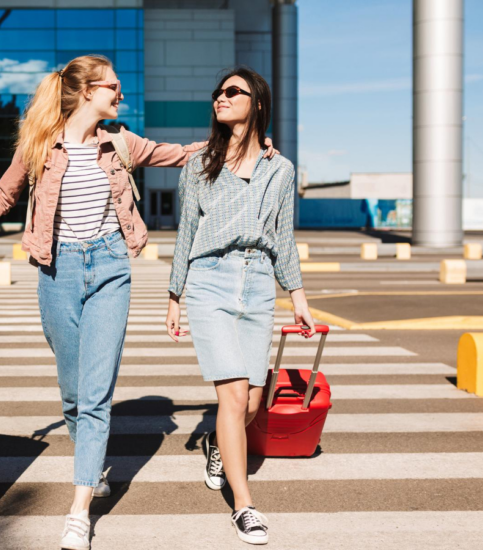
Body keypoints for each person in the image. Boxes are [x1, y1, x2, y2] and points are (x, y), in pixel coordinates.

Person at [0, 54, 276, 550]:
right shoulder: (39, 145)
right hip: (57, 270)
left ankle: (80, 511)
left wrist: (245, 145)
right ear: (86, 92)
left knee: (96, 394)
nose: (121, 94)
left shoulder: (120, 142)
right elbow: (3, 196)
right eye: (113, 87)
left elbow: (181, 153)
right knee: (74, 389)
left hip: (111, 268)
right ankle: (90, 461)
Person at [165, 66, 315, 546]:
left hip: (257, 286)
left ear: (257, 103)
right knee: (231, 397)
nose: (220, 98)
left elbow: (283, 238)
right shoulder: (199, 164)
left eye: (232, 91)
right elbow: (186, 230)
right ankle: (244, 505)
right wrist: (175, 295)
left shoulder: (280, 168)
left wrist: (298, 297)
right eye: (217, 92)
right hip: (210, 279)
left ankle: (215, 442)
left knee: (250, 402)